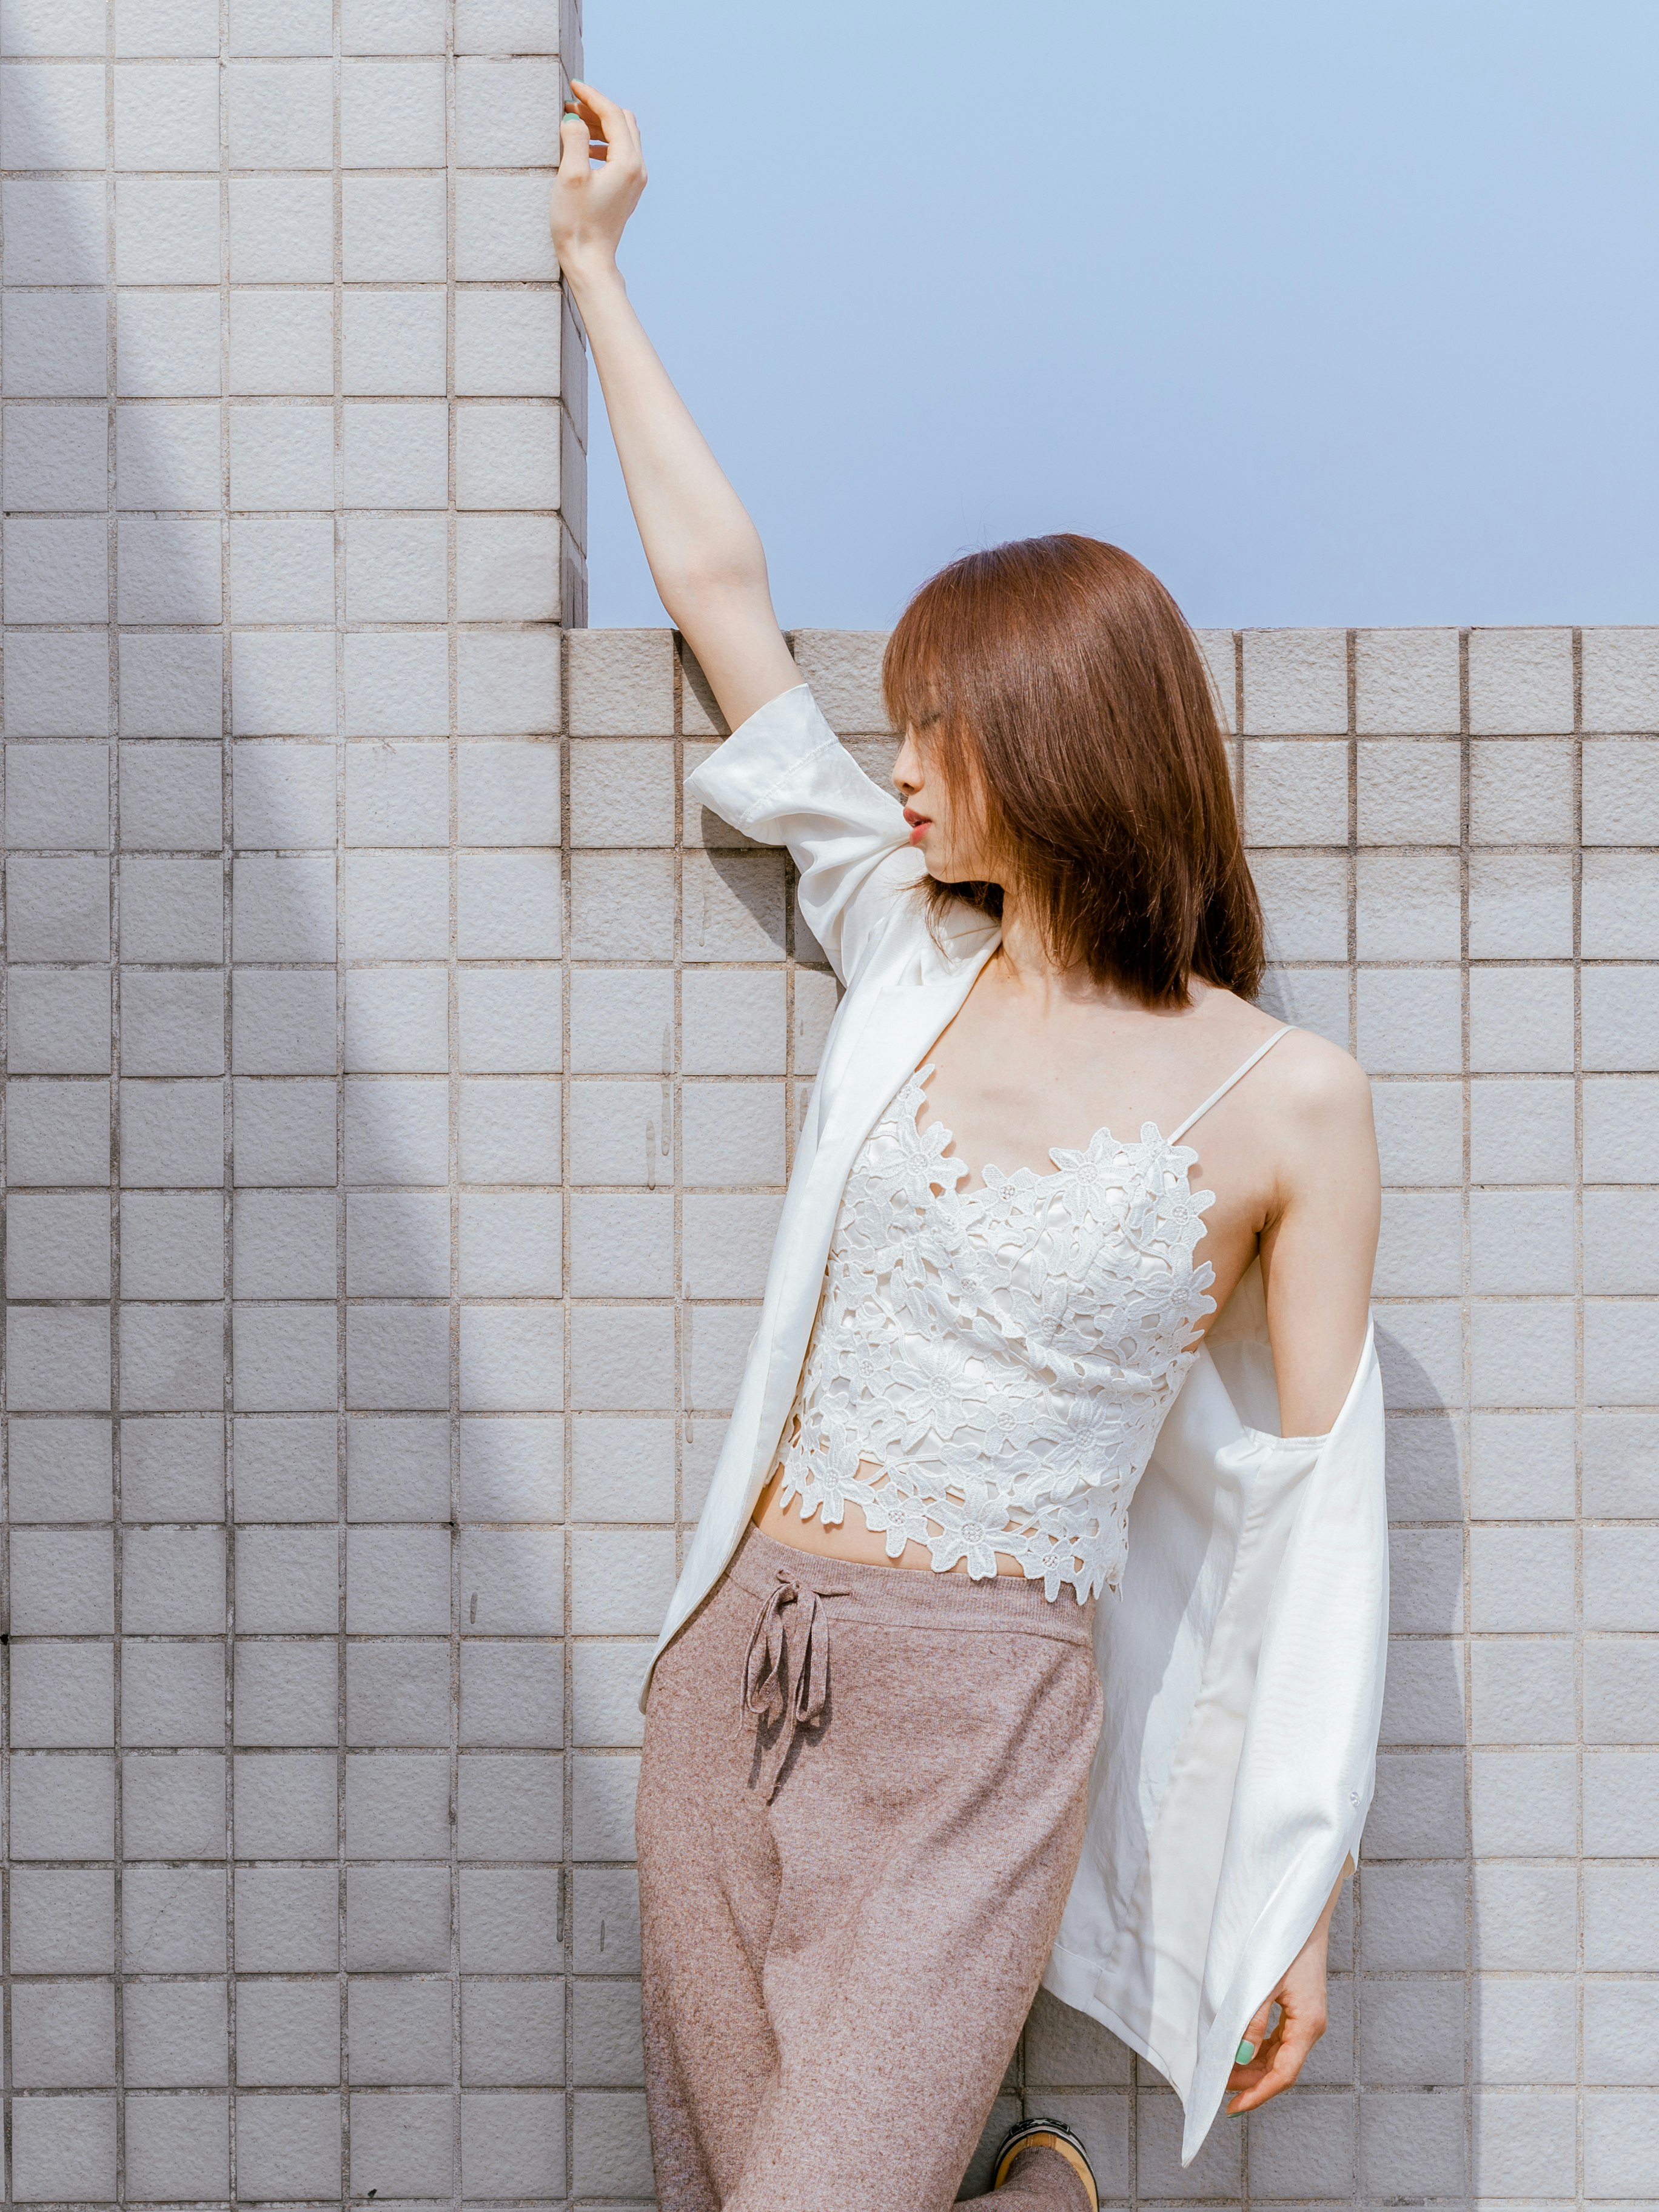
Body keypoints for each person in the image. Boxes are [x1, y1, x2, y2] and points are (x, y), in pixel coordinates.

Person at [551, 85, 1387, 2212]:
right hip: (742, 1667)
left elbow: (1312, 1533)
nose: (897, 769)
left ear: (1062, 750)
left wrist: (1298, 1886)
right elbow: (724, 596)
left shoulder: (1284, 1099)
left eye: (939, 729)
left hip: (985, 1728)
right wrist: (598, 269)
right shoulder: (909, 956)